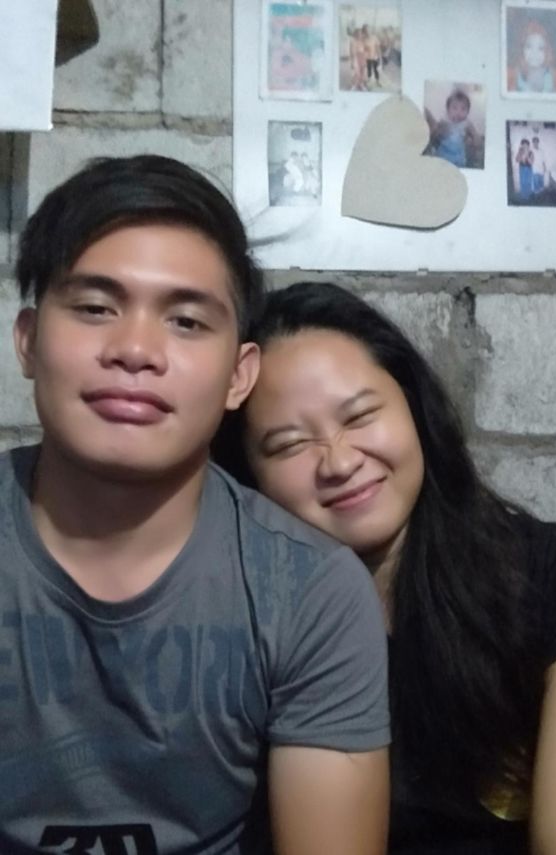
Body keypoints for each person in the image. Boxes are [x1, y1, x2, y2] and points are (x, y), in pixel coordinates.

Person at [1, 158, 390, 854]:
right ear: (27, 340)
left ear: (240, 376)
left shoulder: (309, 591)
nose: (135, 350)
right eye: (95, 308)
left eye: (185, 321)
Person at [215, 281, 556, 855]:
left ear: (414, 405)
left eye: (360, 415)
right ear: (247, 475)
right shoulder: (238, 613)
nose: (338, 461)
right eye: (289, 445)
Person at [423, 90, 481, 169]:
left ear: (468, 112)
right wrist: (439, 132)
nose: (458, 112)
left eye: (463, 109)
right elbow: (434, 135)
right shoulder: (444, 122)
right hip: (443, 154)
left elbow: (476, 136)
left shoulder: (467, 124)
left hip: (458, 156)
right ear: (448, 110)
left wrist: (475, 139)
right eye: (454, 108)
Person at [512, 20, 556, 93]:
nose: (534, 53)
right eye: (529, 46)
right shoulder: (517, 75)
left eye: (540, 48)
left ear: (547, 51)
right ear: (522, 49)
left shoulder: (550, 76)